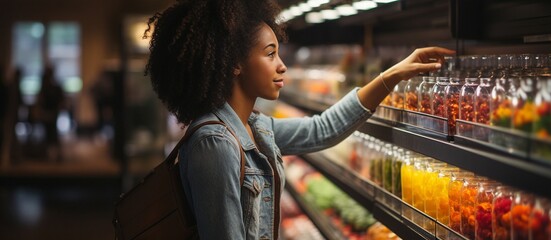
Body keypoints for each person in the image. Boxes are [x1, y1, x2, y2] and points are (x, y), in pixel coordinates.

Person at [144, 1, 455, 239]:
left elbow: (322, 130)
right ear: (235, 64)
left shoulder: (254, 128)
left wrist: (392, 75)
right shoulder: (215, 144)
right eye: (270, 54)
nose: (282, 67)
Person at [36, 65, 65, 162]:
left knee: (52, 134)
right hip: (47, 113)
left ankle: (54, 155)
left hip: (52, 113)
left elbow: (61, 100)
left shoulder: (54, 87)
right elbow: (40, 101)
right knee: (49, 134)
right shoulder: (45, 87)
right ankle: (50, 154)